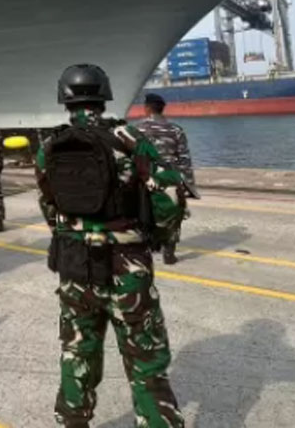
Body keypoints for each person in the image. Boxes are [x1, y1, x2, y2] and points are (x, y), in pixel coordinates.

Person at [36, 64, 185, 428]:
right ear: (103, 95)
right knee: (145, 359)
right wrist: (159, 236)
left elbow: (47, 203)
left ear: (64, 100)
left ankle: (73, 420)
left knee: (77, 350)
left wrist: (73, 232)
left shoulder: (50, 146)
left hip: (74, 267)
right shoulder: (128, 138)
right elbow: (170, 194)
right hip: (126, 266)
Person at [138, 93, 195, 265]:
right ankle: (169, 253)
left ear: (147, 108)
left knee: (145, 213)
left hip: (148, 178)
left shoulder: (138, 129)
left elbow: (134, 157)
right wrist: (188, 187)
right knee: (173, 215)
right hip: (171, 178)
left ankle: (146, 248)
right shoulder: (176, 130)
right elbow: (185, 160)